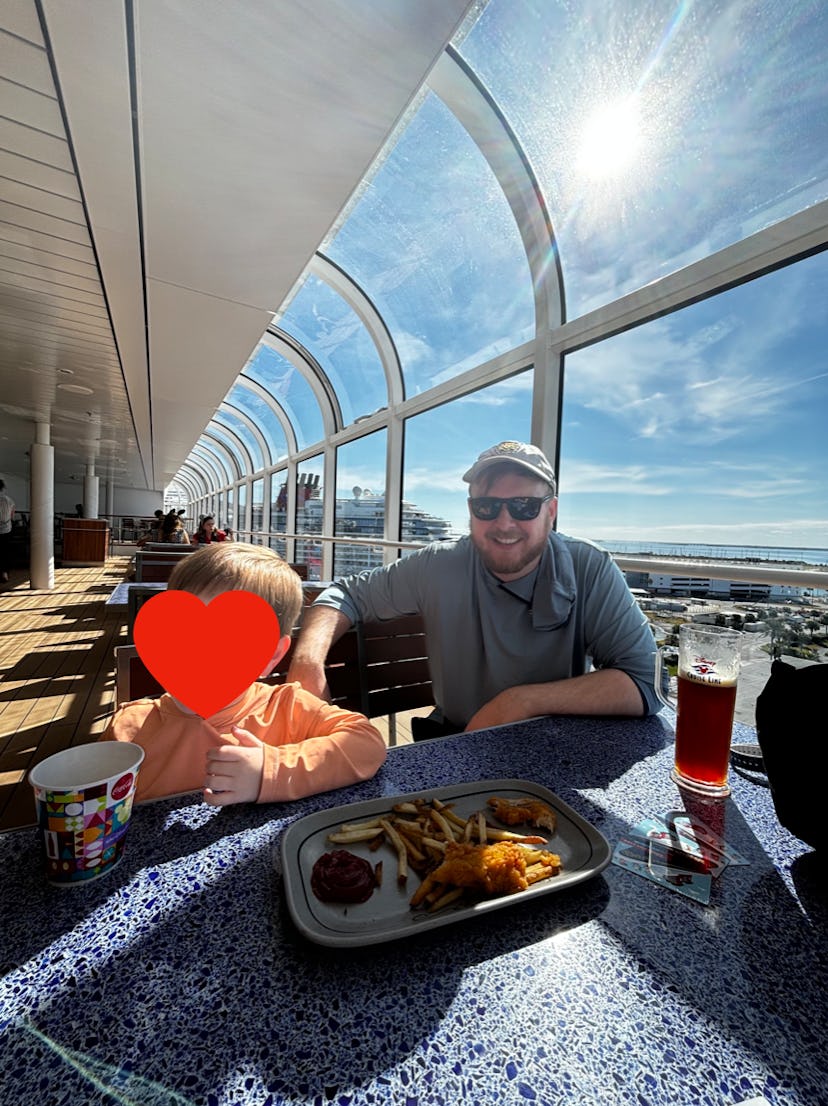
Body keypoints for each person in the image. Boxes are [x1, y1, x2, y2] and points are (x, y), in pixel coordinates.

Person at [287, 440, 659, 737]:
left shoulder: (587, 566)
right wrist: (307, 662)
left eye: (524, 506)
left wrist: (523, 702)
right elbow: (346, 593)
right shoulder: (439, 564)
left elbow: (645, 682)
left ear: (552, 511)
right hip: (457, 739)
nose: (504, 522)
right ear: (470, 510)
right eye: (487, 507)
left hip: (556, 740)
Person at [100, 542, 386, 804]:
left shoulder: (288, 708)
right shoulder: (129, 729)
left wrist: (270, 770)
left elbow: (367, 743)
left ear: (271, 655)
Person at [0, 479, 15, 583]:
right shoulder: (9, 500)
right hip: (6, 529)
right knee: (5, 552)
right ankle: (4, 574)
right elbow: (12, 516)